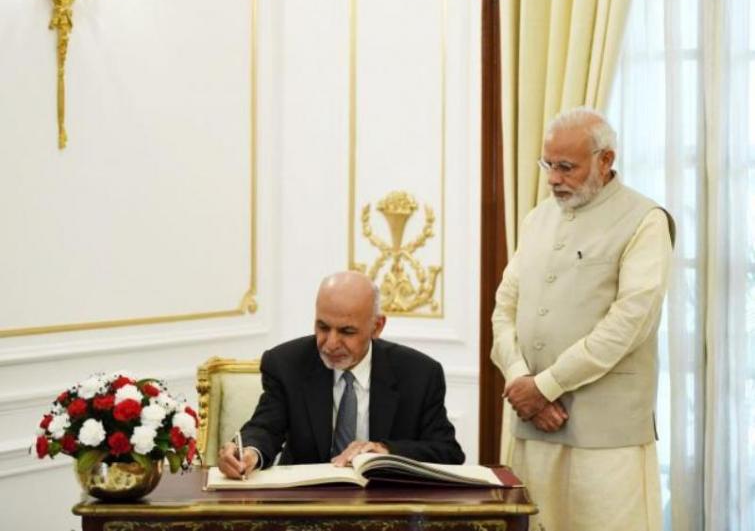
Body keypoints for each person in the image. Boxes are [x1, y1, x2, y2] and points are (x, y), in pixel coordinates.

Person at [491, 107, 674, 531]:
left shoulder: (646, 220)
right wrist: (520, 379)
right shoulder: (537, 219)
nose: (553, 179)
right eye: (548, 166)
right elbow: (504, 308)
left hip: (608, 438)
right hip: (533, 427)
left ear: (605, 160)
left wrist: (545, 387)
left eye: (566, 167)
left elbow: (628, 325)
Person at [218, 271, 464, 478]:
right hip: (306, 507)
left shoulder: (419, 374)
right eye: (323, 327)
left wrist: (386, 451)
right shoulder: (286, 364)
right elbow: (265, 428)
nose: (331, 343)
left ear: (377, 327)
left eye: (347, 331)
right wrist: (248, 452)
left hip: (385, 506)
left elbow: (448, 453)